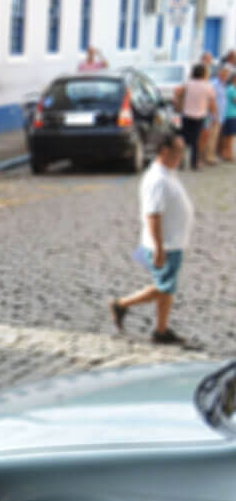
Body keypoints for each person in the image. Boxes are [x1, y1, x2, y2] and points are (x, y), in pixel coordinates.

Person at [109, 132, 193, 346]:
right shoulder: (157, 179)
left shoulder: (167, 173)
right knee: (165, 288)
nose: (182, 155)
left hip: (172, 242)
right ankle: (122, 304)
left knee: (167, 288)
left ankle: (161, 330)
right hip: (164, 244)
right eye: (178, 151)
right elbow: (153, 215)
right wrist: (159, 248)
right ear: (165, 151)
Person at [174, 64, 218, 171]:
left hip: (187, 114)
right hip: (200, 115)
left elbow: (178, 92)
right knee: (196, 140)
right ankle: (194, 163)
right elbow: (212, 102)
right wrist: (215, 114)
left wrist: (179, 102)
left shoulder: (188, 84)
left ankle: (180, 161)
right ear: (204, 74)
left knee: (184, 138)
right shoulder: (208, 86)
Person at [222, 70, 236, 162]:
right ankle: (229, 154)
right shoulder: (232, 89)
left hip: (227, 115)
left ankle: (226, 154)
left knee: (227, 136)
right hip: (231, 115)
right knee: (231, 136)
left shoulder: (229, 88)